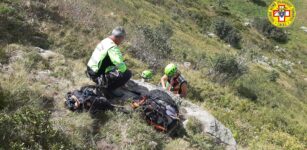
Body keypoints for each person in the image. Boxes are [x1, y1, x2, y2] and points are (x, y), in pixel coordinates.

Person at [86, 26, 132, 97]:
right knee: (127, 73)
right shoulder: (113, 48)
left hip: (90, 70)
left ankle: (105, 82)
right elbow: (122, 67)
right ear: (120, 38)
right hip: (97, 75)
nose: (121, 42)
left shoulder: (105, 40)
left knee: (114, 66)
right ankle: (107, 89)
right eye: (122, 39)